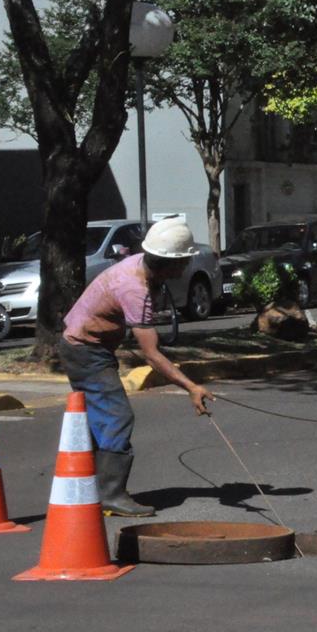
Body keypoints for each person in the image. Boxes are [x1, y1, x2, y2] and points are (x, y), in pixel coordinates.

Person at [58, 216, 214, 516]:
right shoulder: (134, 288)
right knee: (117, 416)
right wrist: (191, 387)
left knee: (98, 420)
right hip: (85, 350)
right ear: (172, 263)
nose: (185, 268)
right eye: (183, 261)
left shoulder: (142, 265)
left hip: (86, 345)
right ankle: (111, 495)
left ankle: (87, 489)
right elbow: (151, 354)